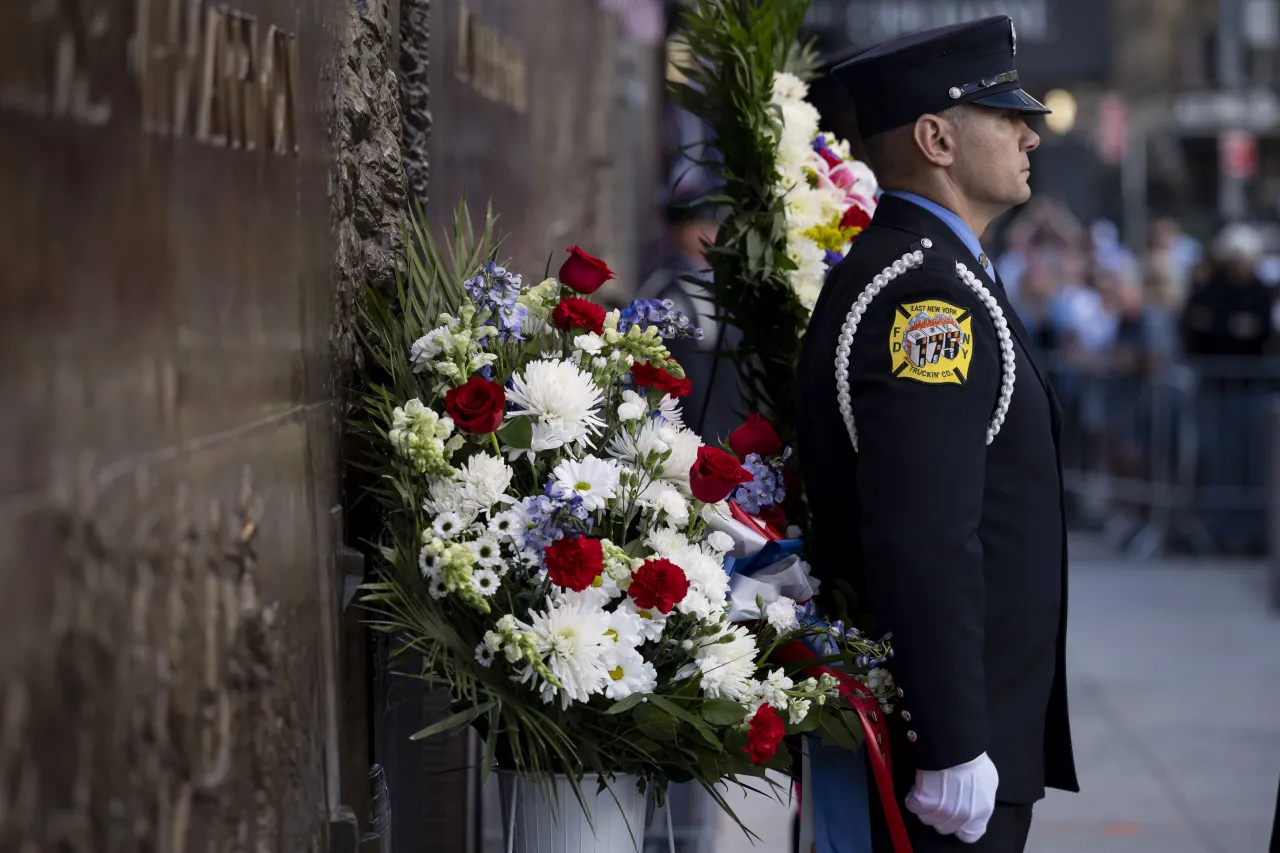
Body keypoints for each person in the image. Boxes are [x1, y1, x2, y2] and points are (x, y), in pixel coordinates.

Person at [795, 17, 1077, 853]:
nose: (1029, 134)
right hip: (945, 760)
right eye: (1004, 116)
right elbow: (925, 531)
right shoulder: (928, 300)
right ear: (936, 137)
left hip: (966, 737)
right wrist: (952, 739)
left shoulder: (934, 274)